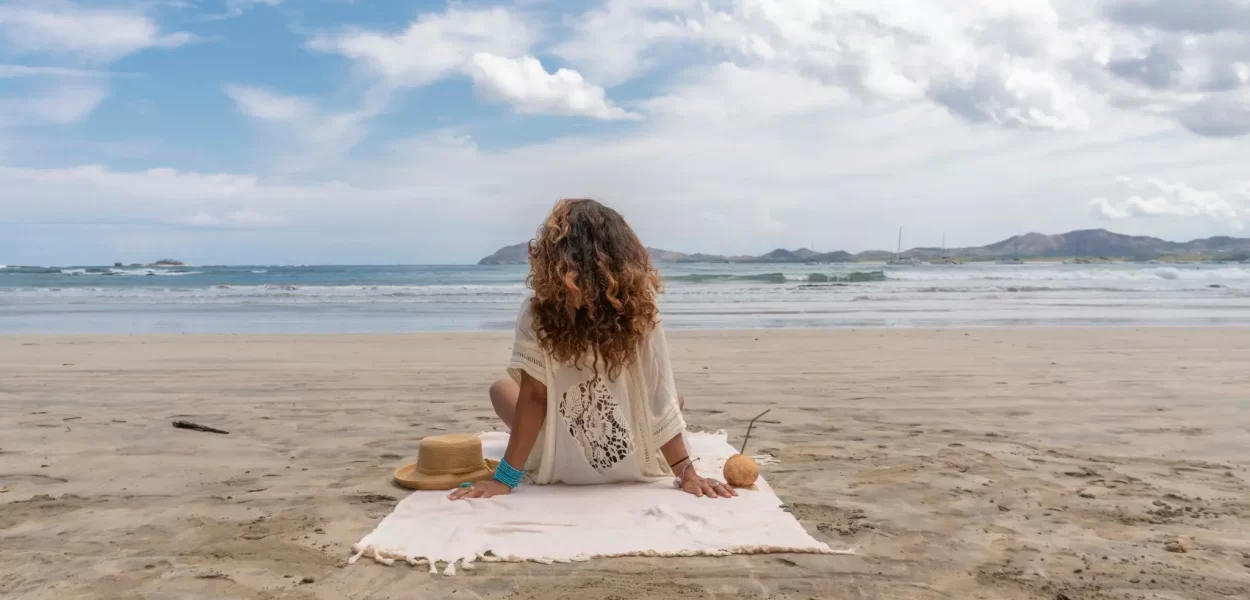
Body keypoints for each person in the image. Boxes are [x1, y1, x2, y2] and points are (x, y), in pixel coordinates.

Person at [450, 198, 735, 500]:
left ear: (554, 257)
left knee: (500, 389)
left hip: (562, 463)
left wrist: (504, 480)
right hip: (634, 459)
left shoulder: (537, 312)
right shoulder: (641, 309)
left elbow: (534, 398)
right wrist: (686, 473)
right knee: (675, 398)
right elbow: (658, 395)